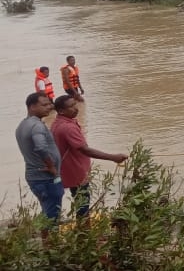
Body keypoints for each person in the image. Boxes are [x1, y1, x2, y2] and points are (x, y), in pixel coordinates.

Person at [51, 95, 127, 221]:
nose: (76, 109)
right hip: (76, 172)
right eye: (71, 106)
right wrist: (113, 157)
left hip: (68, 170)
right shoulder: (68, 127)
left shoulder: (57, 123)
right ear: (61, 111)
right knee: (82, 203)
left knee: (79, 200)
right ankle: (84, 233)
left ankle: (83, 230)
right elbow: (84, 149)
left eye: (75, 104)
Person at [15, 92, 63, 237]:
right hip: (45, 177)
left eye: (49, 104)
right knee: (52, 215)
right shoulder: (36, 126)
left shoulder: (23, 125)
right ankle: (51, 248)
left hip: (35, 176)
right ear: (32, 106)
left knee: (47, 210)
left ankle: (47, 244)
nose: (50, 107)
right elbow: (40, 147)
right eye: (44, 104)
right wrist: (52, 166)